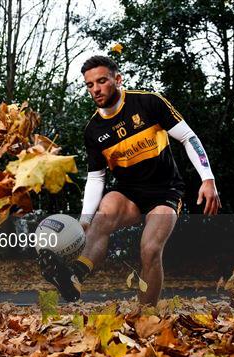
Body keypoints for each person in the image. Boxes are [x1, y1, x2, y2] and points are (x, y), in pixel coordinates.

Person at [38, 55, 221, 305]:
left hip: (165, 192)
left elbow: (189, 138)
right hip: (128, 193)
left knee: (150, 249)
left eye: (101, 81)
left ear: (117, 79)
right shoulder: (93, 130)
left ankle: (147, 314)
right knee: (103, 214)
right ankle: (74, 277)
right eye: (89, 85)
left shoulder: (148, 103)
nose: (96, 89)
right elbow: (96, 177)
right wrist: (84, 220)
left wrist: (207, 179)